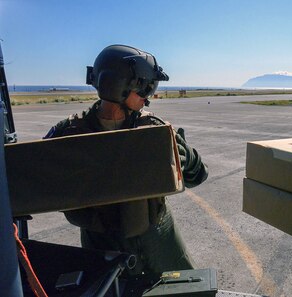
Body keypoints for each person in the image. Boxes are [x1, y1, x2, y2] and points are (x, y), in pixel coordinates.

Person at [44, 44, 208, 279]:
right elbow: (36, 180)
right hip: (101, 246)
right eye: (144, 88)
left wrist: (188, 159)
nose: (148, 97)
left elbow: (199, 175)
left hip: (159, 239)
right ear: (119, 86)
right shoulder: (68, 133)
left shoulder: (153, 128)